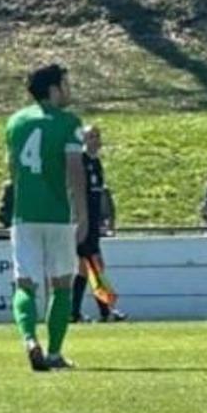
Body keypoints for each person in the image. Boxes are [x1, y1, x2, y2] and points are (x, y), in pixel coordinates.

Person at [6, 63, 88, 372]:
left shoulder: (15, 122)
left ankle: (29, 339)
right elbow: (75, 170)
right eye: (66, 85)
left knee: (24, 284)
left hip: (24, 213)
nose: (69, 90)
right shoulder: (68, 122)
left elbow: (12, 167)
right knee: (62, 284)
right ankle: (54, 353)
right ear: (53, 90)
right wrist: (82, 213)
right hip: (58, 214)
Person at [72, 125, 127, 323]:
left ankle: (76, 312)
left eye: (97, 136)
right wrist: (82, 219)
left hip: (93, 222)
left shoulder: (96, 163)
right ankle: (105, 312)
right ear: (84, 140)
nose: (95, 140)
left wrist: (104, 218)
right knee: (93, 266)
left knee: (88, 268)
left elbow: (99, 195)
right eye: (91, 136)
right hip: (83, 222)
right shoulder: (81, 161)